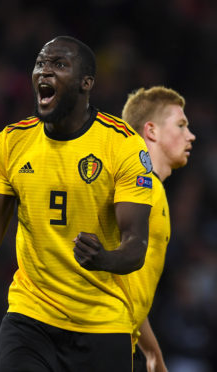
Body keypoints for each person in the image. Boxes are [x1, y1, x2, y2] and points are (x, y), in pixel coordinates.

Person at [0, 36, 154, 372]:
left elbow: (136, 243)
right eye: (40, 63)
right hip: (30, 317)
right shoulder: (11, 143)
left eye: (59, 64)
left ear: (85, 83)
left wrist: (105, 258)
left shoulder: (122, 147)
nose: (44, 71)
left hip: (102, 323)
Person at [121, 86, 196, 372]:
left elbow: (129, 289)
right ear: (151, 131)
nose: (191, 135)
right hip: (96, 340)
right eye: (181, 125)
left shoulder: (154, 191)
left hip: (117, 341)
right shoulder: (135, 189)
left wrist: (153, 354)